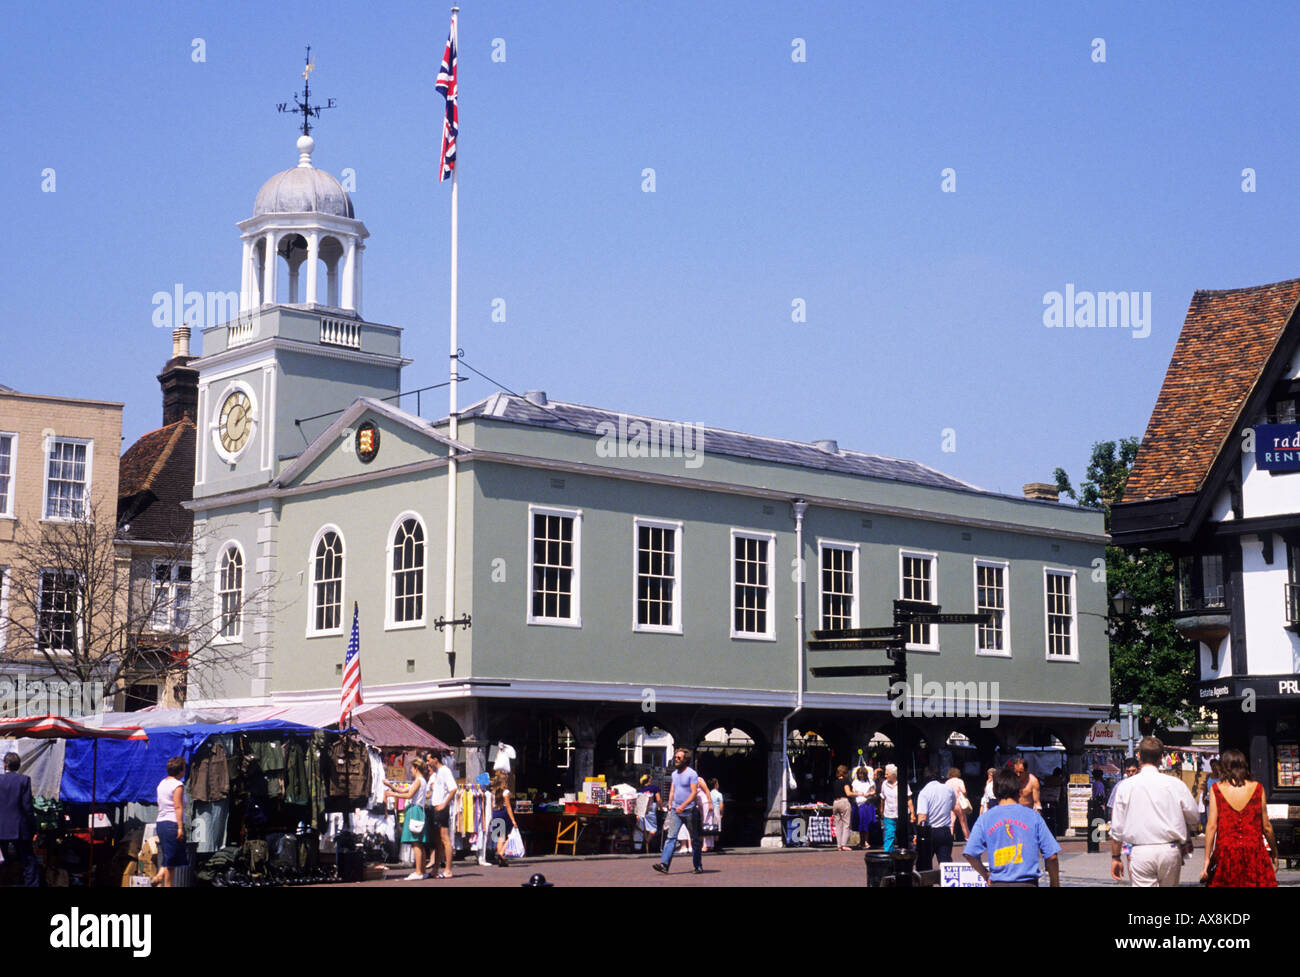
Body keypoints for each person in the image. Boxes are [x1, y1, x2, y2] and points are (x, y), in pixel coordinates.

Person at [1108, 736, 1199, 887]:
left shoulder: (1126, 786)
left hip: (1140, 851)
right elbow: (1194, 816)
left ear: (1139, 756)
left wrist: (1116, 857)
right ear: (1161, 757)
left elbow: (1117, 828)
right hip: (1169, 849)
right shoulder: (1175, 784)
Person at [963, 767, 1061, 887]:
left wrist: (986, 875)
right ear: (1019, 790)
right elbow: (1051, 856)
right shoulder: (1033, 817)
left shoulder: (985, 819)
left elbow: (970, 854)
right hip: (1027, 883)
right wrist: (1054, 883)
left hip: (998, 883)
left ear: (995, 791)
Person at [1199, 748, 1277, 887]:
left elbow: (1211, 826)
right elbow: (1266, 827)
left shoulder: (1216, 789)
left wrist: (1206, 859)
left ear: (1224, 767)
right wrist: (1275, 852)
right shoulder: (1258, 788)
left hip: (1226, 853)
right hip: (1255, 852)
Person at [654, 748, 705, 875]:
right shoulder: (674, 774)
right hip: (676, 811)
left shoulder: (692, 774)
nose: (676, 760)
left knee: (695, 840)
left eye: (679, 758)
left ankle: (698, 865)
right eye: (675, 757)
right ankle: (664, 865)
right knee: (670, 838)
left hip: (689, 811)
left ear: (685, 760)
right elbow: (672, 790)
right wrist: (670, 802)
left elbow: (694, 793)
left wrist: (683, 805)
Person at [384, 757, 430, 879]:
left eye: (411, 768)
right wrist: (390, 785)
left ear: (416, 768)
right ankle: (422, 870)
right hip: (418, 810)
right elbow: (403, 789)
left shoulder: (418, 780)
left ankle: (419, 872)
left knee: (415, 842)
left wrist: (392, 794)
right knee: (419, 842)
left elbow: (408, 794)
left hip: (415, 810)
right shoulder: (421, 780)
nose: (410, 770)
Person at [0, 752, 38, 887]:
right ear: (19, 766)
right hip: (19, 828)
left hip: (2, 828)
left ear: (5, 765)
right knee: (28, 861)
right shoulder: (24, 780)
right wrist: (33, 827)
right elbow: (27, 807)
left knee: (3, 860)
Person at [151, 756, 188, 887]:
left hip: (161, 823)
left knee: (168, 855)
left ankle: (158, 877)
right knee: (172, 862)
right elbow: (178, 806)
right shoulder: (177, 785)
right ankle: (167, 884)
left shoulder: (162, 783)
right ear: (181, 770)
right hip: (172, 824)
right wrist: (180, 827)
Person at [915, 768, 957, 868]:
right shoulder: (949, 790)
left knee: (924, 864)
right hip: (945, 830)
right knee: (946, 865)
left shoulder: (924, 792)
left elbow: (922, 817)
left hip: (929, 832)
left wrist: (918, 835)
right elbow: (953, 806)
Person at [427, 751, 459, 879]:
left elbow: (453, 789)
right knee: (437, 841)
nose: (428, 763)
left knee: (445, 839)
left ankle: (448, 869)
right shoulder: (437, 773)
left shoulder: (445, 771)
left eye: (429, 760)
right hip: (436, 807)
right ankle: (435, 868)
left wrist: (444, 804)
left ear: (435, 759)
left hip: (442, 809)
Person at [879, 763, 913, 851]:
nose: (885, 776)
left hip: (902, 814)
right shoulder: (884, 784)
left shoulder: (903, 784)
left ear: (893, 775)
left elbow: (909, 799)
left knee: (903, 834)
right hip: (889, 813)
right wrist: (881, 810)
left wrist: (913, 813)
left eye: (887, 774)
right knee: (889, 834)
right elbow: (882, 798)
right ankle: (888, 853)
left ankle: (904, 852)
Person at [490, 770, 519, 867]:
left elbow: (491, 805)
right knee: (510, 835)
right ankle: (501, 853)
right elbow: (509, 807)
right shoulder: (506, 792)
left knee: (499, 838)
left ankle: (501, 860)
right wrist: (513, 820)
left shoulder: (493, 792)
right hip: (503, 813)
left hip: (495, 814)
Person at [831, 764, 855, 851]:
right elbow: (848, 793)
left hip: (835, 802)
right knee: (846, 823)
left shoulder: (835, 782)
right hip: (844, 801)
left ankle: (839, 845)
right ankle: (844, 844)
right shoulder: (846, 781)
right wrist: (859, 793)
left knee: (838, 825)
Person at [851, 766, 876, 849]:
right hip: (858, 803)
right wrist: (858, 794)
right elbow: (853, 792)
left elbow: (873, 792)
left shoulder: (870, 782)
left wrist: (868, 794)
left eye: (862, 774)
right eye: (859, 774)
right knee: (859, 823)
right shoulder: (855, 782)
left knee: (866, 823)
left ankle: (866, 841)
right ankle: (861, 841)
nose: (861, 776)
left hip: (866, 803)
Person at [635, 773, 661, 852]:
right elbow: (658, 799)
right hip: (651, 809)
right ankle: (647, 841)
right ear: (650, 780)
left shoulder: (640, 790)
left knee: (641, 827)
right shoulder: (654, 788)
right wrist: (661, 807)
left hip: (641, 809)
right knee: (653, 829)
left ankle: (638, 847)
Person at [945, 767, 971, 841]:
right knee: (963, 821)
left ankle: (949, 838)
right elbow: (964, 791)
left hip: (950, 804)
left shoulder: (947, 782)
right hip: (959, 803)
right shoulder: (960, 781)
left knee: (951, 822)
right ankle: (967, 838)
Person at [704, 778, 724, 852]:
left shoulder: (708, 793)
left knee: (710, 827)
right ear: (716, 785)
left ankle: (709, 844)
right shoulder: (719, 794)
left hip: (710, 811)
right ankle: (716, 845)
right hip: (716, 811)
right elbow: (721, 805)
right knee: (717, 828)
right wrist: (721, 813)